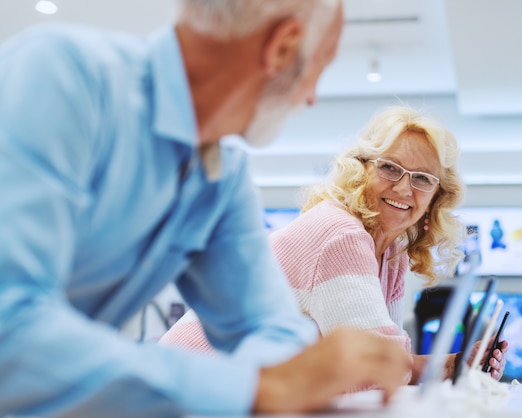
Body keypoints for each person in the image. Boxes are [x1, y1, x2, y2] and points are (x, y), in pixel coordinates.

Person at [0, 1, 415, 417]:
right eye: (320, 66)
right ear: (282, 47)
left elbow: (268, 325)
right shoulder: (62, 76)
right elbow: (10, 327)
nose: (311, 98)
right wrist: (254, 387)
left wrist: (289, 375)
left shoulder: (221, 177)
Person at [161, 105, 509, 384]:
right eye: (390, 168)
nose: (404, 189)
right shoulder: (341, 234)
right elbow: (376, 370)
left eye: (422, 178)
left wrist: (453, 367)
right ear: (361, 171)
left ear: (435, 198)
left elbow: (383, 361)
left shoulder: (391, 253)